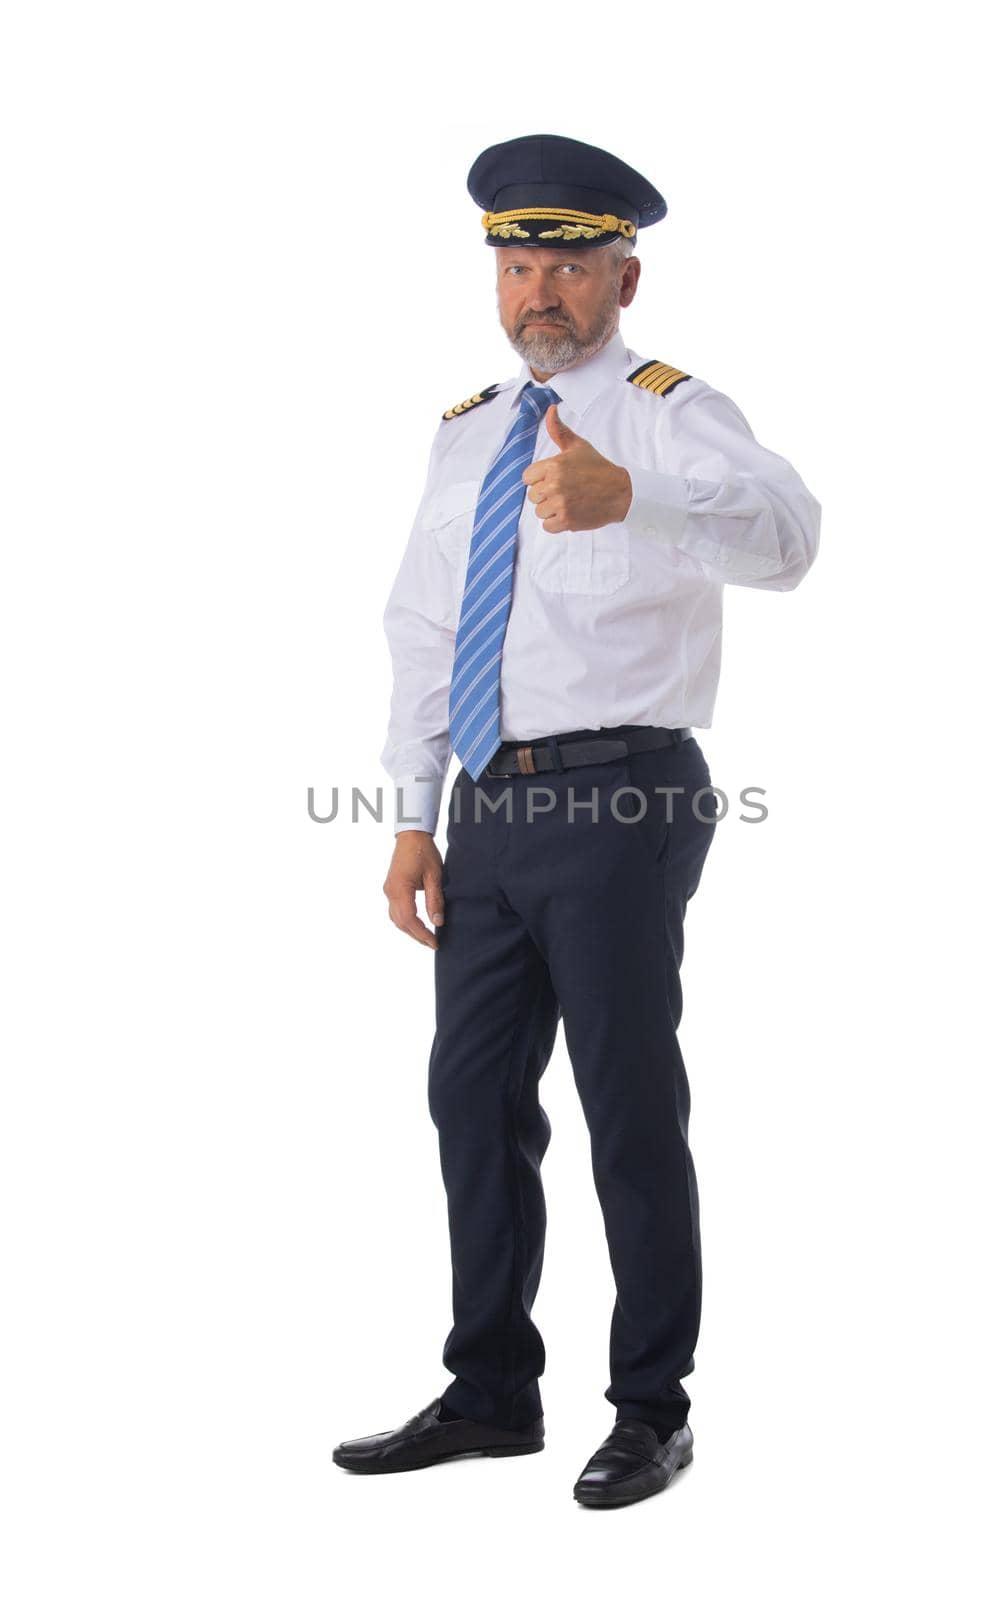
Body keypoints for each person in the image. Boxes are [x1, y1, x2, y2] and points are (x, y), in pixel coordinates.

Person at [332, 133, 821, 1508]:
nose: (540, 290)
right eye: (518, 263)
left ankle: (652, 1409)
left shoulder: (671, 412)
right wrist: (413, 815)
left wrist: (636, 498)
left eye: (568, 264)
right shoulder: (464, 430)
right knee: (471, 1100)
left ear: (626, 275)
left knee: (625, 1103)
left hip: (623, 795)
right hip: (485, 808)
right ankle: (490, 1391)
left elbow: (791, 538)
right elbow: (424, 628)